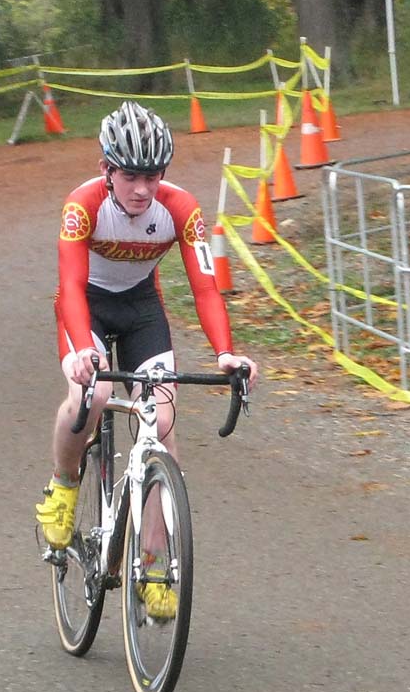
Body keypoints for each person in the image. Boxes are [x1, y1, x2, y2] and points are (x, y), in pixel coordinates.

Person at [35, 100, 257, 615]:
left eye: (153, 176)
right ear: (105, 170)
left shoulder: (180, 209)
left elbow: (205, 287)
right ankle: (64, 485)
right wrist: (79, 353)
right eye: (131, 176)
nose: (142, 190)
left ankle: (153, 564)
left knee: (163, 422)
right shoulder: (82, 206)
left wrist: (225, 353)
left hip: (140, 310)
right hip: (84, 303)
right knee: (94, 395)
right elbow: (69, 284)